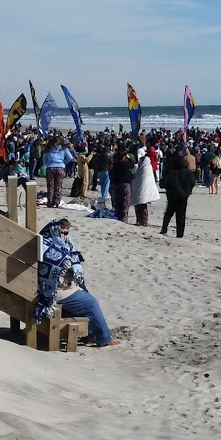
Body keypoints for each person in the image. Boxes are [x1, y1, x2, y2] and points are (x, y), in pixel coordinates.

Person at [34, 218, 117, 347]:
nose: (64, 236)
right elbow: (58, 267)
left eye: (66, 233)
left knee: (85, 295)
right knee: (91, 303)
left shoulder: (60, 243)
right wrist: (73, 267)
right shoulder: (46, 246)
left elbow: (73, 256)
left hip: (64, 286)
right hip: (54, 291)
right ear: (54, 230)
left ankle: (90, 335)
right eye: (62, 232)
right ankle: (104, 339)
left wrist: (76, 263)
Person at [160, 152, 196, 237]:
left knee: (168, 213)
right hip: (183, 197)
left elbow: (163, 183)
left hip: (172, 196)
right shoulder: (188, 172)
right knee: (181, 216)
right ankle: (180, 233)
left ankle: (164, 229)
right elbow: (193, 183)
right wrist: (188, 191)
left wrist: (167, 189)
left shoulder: (171, 172)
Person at [130, 146, 159, 227]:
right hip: (140, 191)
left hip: (143, 191)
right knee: (139, 207)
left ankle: (143, 221)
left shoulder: (145, 168)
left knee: (142, 207)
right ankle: (140, 221)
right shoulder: (143, 168)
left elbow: (142, 179)